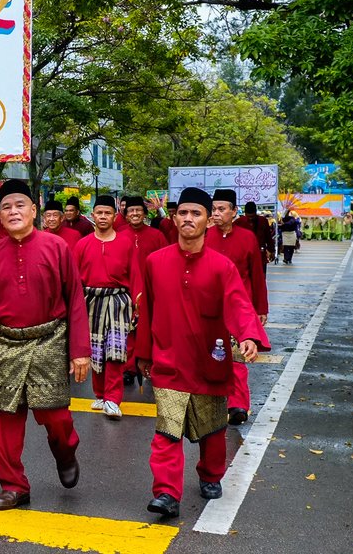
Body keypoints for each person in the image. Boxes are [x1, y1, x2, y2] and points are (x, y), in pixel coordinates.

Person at [137, 187, 270, 518]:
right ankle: (167, 493)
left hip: (212, 359)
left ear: (209, 220)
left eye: (196, 213)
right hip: (169, 361)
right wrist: (142, 355)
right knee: (167, 430)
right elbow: (147, 312)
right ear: (174, 217)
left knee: (213, 427)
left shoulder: (222, 267)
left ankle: (211, 475)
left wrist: (248, 335)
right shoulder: (155, 262)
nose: (188, 219)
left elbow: (239, 303)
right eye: (182, 213)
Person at [0, 180, 89, 510]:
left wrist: (80, 351)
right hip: (7, 342)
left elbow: (75, 300)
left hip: (49, 338)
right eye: (6, 207)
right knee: (5, 416)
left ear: (33, 210)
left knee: (56, 417)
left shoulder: (56, 247)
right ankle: (13, 485)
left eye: (20, 205)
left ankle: (66, 451)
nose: (13, 212)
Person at [72, 195, 141, 420]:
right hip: (90, 300)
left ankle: (113, 399)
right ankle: (100, 394)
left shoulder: (126, 243)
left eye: (107, 213)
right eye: (99, 213)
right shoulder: (82, 245)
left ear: (114, 216)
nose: (103, 217)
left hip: (119, 301)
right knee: (96, 351)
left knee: (116, 351)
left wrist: (136, 308)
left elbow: (136, 276)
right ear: (93, 215)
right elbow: (74, 281)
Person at [206, 189, 269, 427]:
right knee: (210, 357)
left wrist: (260, 309)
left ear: (234, 211)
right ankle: (212, 400)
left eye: (222, 209)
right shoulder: (205, 237)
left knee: (237, 360)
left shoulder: (247, 238)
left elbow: (257, 275)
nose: (217, 214)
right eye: (214, 209)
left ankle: (238, 405)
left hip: (239, 309)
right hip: (210, 307)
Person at [120, 195, 167, 385]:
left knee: (153, 329)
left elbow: (165, 262)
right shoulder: (120, 234)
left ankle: (155, 365)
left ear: (145, 214)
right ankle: (129, 368)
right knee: (128, 331)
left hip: (151, 289)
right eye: (131, 211)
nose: (135, 213)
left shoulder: (157, 236)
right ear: (126, 214)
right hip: (126, 290)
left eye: (138, 210)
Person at [235, 202, 276, 275]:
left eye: (252, 216)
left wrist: (272, 251)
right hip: (245, 257)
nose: (250, 218)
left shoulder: (263, 221)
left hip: (260, 255)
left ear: (256, 213)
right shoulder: (239, 222)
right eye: (248, 216)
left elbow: (268, 237)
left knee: (261, 278)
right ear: (245, 214)